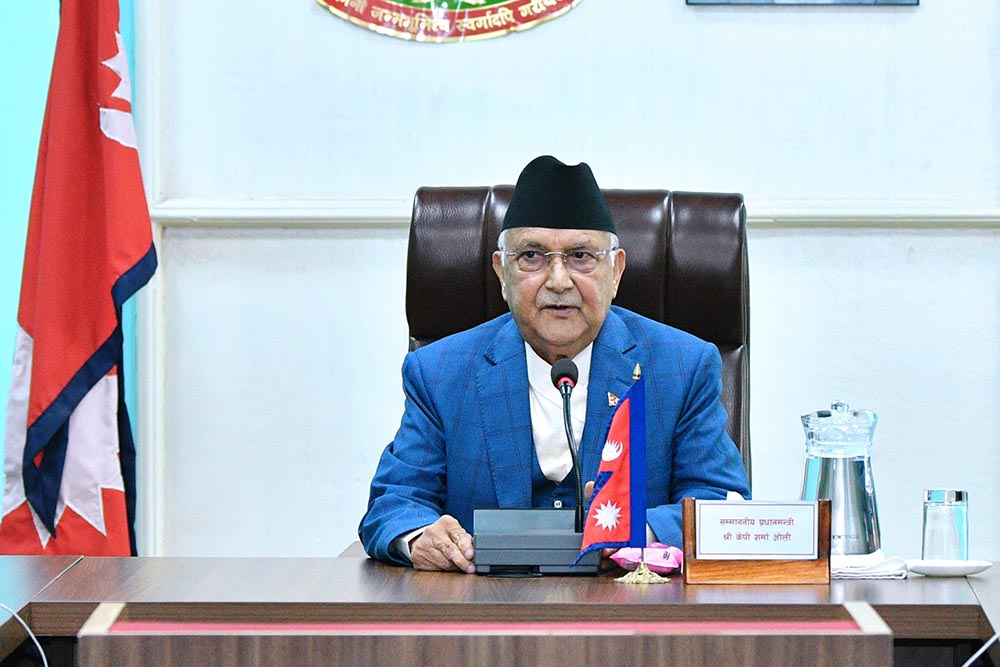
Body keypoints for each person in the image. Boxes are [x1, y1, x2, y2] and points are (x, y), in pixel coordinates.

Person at [360, 155, 750, 573]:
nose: (559, 281)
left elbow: (720, 503)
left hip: (624, 606)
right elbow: (394, 503)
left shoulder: (683, 367)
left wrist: (641, 534)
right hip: (486, 605)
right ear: (502, 272)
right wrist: (421, 536)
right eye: (532, 256)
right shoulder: (438, 372)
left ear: (616, 271)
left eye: (581, 256)